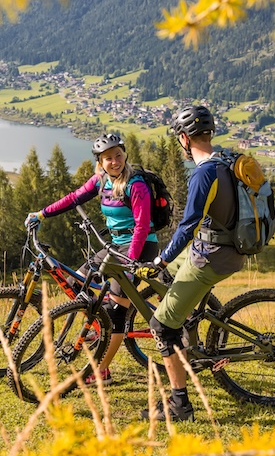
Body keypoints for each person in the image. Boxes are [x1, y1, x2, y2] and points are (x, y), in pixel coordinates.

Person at [25, 133, 159, 385]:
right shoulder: (101, 181)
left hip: (138, 246)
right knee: (78, 282)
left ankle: (102, 370)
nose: (115, 161)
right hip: (115, 245)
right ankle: (100, 326)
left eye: (118, 155)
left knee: (117, 314)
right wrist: (41, 214)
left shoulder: (135, 184)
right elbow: (74, 198)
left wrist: (130, 264)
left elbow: (141, 227)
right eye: (108, 158)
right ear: (100, 162)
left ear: (124, 155)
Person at [143, 104, 245, 423]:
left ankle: (180, 406)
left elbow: (188, 225)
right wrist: (165, 264)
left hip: (210, 257)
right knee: (165, 278)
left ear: (185, 139)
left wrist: (161, 256)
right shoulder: (226, 160)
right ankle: (187, 328)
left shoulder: (203, 173)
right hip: (224, 248)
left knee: (161, 325)